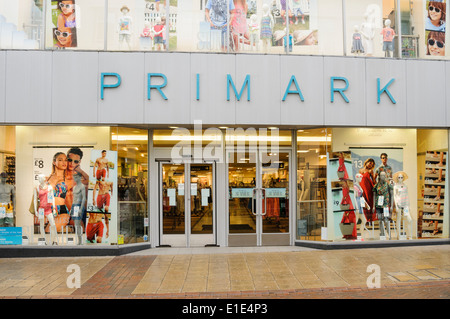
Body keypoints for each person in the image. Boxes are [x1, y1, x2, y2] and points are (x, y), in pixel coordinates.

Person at [46, 152, 70, 234]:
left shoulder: (69, 179)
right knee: (51, 237)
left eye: (66, 160)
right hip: (48, 210)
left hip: (62, 210)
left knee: (49, 231)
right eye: (60, 160)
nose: (64, 162)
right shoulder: (48, 178)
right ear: (54, 162)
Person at [35, 174, 57, 245]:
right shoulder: (37, 188)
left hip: (48, 209)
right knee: (41, 225)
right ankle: (43, 240)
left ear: (44, 179)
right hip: (41, 209)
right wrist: (35, 210)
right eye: (39, 178)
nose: (39, 180)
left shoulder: (49, 187)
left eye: (40, 178)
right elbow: (35, 200)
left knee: (53, 224)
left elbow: (52, 198)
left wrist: (53, 208)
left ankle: (54, 240)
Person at [372, 171, 394, 239]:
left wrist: (392, 205)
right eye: (381, 175)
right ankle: (382, 234)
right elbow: (374, 195)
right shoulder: (376, 185)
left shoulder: (388, 185)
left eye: (384, 175)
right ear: (379, 176)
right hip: (378, 205)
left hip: (385, 205)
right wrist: (373, 206)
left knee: (386, 219)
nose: (383, 177)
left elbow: (392, 195)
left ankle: (389, 234)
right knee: (380, 220)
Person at [393, 171, 413, 240]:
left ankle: (409, 235)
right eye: (399, 177)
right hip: (399, 204)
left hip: (405, 205)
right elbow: (395, 196)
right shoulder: (395, 186)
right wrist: (396, 206)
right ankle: (399, 235)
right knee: (398, 220)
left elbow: (407, 195)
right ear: (397, 178)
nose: (400, 179)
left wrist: (409, 205)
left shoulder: (405, 186)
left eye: (401, 177)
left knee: (409, 219)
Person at [70, 173, 86, 245]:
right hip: (74, 206)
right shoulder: (74, 187)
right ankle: (79, 240)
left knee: (78, 224)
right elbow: (73, 199)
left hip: (79, 205)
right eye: (74, 177)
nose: (75, 178)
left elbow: (84, 198)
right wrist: (71, 208)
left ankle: (80, 240)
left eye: (76, 177)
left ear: (80, 177)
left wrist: (81, 208)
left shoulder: (82, 186)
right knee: (75, 224)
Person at [359, 158, 376, 223]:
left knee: (369, 202)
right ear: (366, 162)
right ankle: (364, 219)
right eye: (369, 163)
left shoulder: (370, 171)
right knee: (363, 203)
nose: (370, 165)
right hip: (362, 188)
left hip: (368, 189)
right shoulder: (360, 170)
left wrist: (375, 176)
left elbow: (374, 181)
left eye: (371, 164)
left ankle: (370, 219)